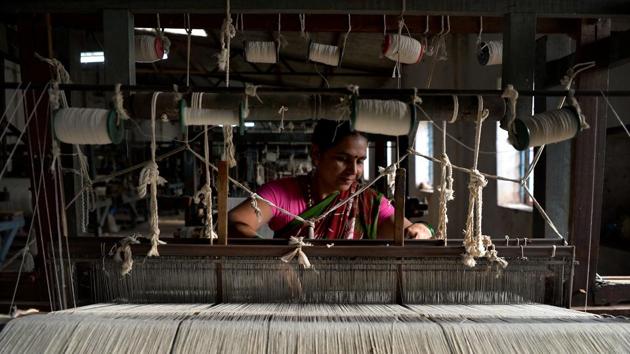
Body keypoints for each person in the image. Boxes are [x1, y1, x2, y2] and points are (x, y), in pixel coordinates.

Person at [229, 119, 433, 239]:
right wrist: (271, 255)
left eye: (360, 161)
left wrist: (422, 229)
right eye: (342, 159)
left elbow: (406, 230)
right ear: (317, 154)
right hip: (289, 288)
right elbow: (234, 222)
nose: (353, 170)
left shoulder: (368, 202)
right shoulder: (282, 193)